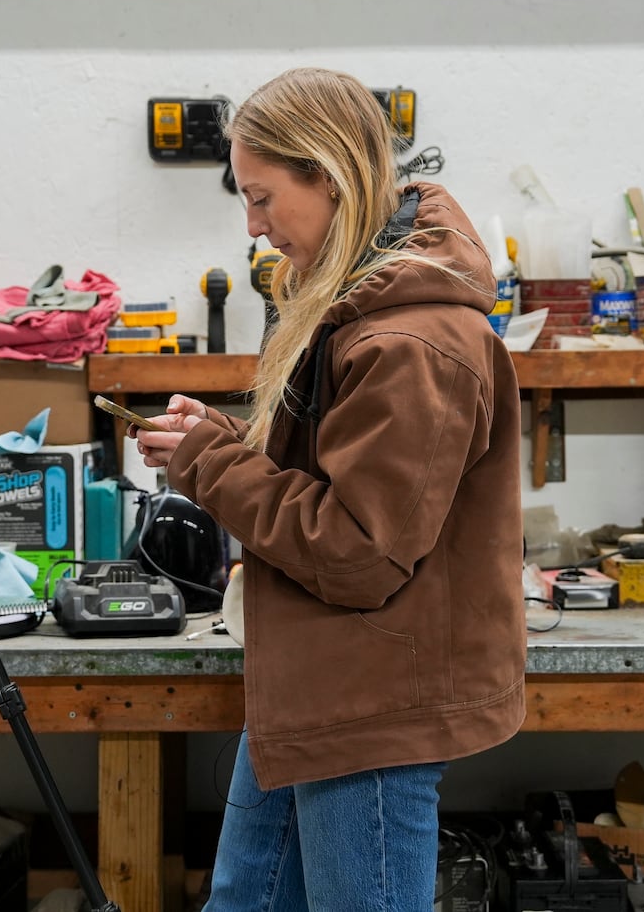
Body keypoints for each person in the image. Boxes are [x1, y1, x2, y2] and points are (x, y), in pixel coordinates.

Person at [135, 67, 526, 911]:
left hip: (371, 705)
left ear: (330, 174)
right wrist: (222, 442)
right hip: (316, 683)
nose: (255, 227)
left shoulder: (410, 340)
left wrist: (208, 462)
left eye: (265, 197)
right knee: (241, 901)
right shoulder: (358, 309)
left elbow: (358, 551)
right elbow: (329, 483)